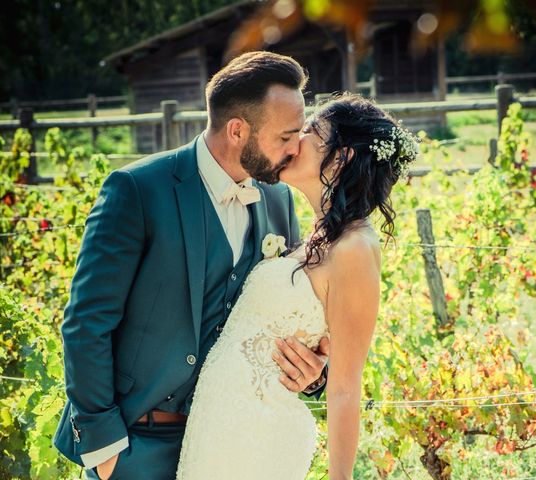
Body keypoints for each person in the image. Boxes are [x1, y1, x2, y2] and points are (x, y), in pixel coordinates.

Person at [53, 51, 330, 480]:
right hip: (139, 444)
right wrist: (103, 446)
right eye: (286, 137)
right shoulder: (138, 190)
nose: (296, 150)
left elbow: (282, 313)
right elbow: (87, 321)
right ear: (238, 130)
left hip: (236, 444)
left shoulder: (277, 199)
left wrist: (311, 371)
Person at [176, 93, 418, 479]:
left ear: (343, 157)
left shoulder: (354, 248)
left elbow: (344, 387)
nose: (294, 140)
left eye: (309, 131)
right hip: (221, 430)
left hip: (259, 436)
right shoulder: (320, 235)